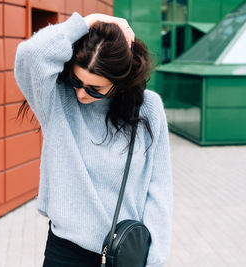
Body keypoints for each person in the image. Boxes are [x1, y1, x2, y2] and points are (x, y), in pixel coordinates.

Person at [14, 12, 172, 267]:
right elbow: (31, 54)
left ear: (119, 83)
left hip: (123, 255)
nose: (80, 94)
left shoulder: (148, 109)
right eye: (76, 81)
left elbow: (159, 189)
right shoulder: (56, 100)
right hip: (66, 251)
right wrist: (88, 21)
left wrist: (154, 260)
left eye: (94, 89)